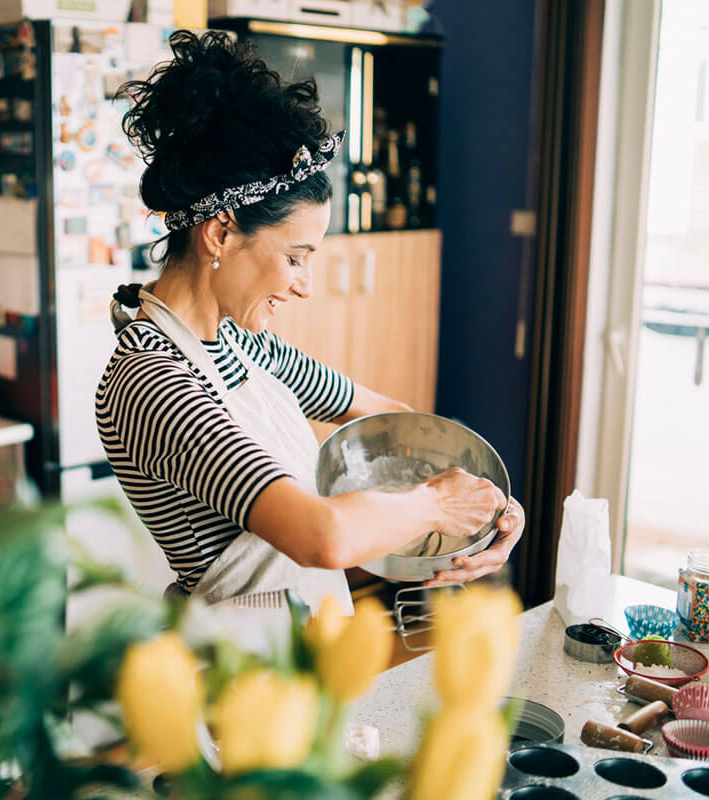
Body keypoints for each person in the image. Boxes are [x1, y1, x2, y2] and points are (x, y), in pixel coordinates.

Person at [96, 31, 524, 614]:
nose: (305, 284)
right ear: (220, 233)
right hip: (235, 671)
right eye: (294, 257)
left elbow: (393, 423)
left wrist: (489, 505)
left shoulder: (247, 345)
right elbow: (320, 535)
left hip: (305, 652)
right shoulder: (152, 381)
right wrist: (435, 506)